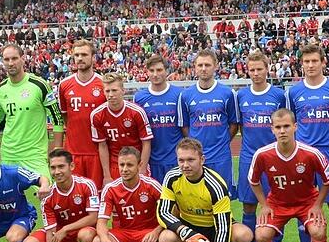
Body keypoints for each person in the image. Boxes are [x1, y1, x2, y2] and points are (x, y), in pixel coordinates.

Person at [157, 138, 253, 242]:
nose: (185, 165)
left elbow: (223, 227)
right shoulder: (172, 177)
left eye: (190, 160)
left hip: (216, 227)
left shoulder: (215, 184)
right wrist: (186, 233)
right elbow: (163, 212)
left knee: (245, 235)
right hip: (188, 227)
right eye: (181, 160)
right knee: (165, 240)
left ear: (202, 159)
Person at [249, 109, 329, 242]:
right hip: (277, 203)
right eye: (278, 127)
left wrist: (318, 204)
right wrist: (264, 205)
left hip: (307, 202)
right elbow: (253, 181)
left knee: (318, 232)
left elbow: (328, 180)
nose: (282, 131)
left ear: (295, 127)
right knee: (261, 237)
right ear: (272, 129)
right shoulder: (262, 154)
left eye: (286, 126)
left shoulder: (311, 153)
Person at [286, 44, 329, 242]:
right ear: (301, 64)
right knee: (303, 204)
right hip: (302, 156)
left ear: (323, 63)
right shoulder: (293, 92)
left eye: (314, 61)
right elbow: (291, 123)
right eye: (306, 61)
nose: (310, 65)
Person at [235, 51, 287, 242]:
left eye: (260, 69)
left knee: (277, 204)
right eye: (252, 70)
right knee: (249, 205)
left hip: (274, 158)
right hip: (249, 157)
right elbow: (238, 126)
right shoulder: (241, 96)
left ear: (267, 69)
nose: (256, 73)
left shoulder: (278, 95)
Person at [20, 149, 99, 242]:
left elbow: (93, 217)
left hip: (82, 233)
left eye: (61, 166)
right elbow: (50, 231)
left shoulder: (87, 185)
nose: (57, 172)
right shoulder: (48, 196)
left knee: (86, 236)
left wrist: (66, 229)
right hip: (59, 237)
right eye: (53, 167)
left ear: (72, 167)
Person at [93, 147, 164, 242]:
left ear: (139, 165)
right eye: (121, 165)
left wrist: (156, 232)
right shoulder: (111, 188)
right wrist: (105, 239)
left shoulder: (151, 185)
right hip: (124, 232)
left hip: (147, 230)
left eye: (130, 165)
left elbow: (170, 212)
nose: (125, 169)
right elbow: (101, 222)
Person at [0, 43, 64, 177]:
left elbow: (57, 119)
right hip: (8, 156)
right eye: (7, 59)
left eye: (14, 58)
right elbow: (0, 122)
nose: (10, 63)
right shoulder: (0, 91)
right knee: (9, 198)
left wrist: (57, 150)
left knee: (43, 196)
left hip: (35, 156)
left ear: (23, 59)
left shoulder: (39, 85)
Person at [177, 50, 239, 193]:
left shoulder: (228, 93)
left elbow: (234, 124)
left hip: (221, 156)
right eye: (200, 65)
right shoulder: (186, 95)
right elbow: (185, 127)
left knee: (223, 197)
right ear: (195, 67)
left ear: (215, 66)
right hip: (195, 158)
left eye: (207, 65)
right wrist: (195, 147)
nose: (203, 69)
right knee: (197, 198)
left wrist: (222, 141)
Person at [57, 40, 107, 187]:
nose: (80, 58)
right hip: (73, 152)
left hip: (98, 153)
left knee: (97, 199)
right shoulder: (64, 85)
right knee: (75, 199)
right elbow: (66, 117)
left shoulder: (103, 84)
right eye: (76, 55)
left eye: (84, 54)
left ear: (93, 58)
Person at [90, 73, 153, 186]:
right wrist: (107, 175)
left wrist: (142, 170)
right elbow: (102, 146)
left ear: (123, 91)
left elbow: (146, 142)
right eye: (107, 91)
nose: (111, 95)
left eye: (114, 90)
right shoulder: (97, 115)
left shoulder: (136, 112)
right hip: (115, 164)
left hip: (136, 162)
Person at [134, 55, 184, 185]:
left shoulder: (179, 95)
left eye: (159, 70)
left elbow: (185, 129)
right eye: (151, 70)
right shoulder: (139, 97)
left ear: (166, 71)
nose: (155, 74)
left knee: (178, 203)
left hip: (175, 160)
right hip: (151, 161)